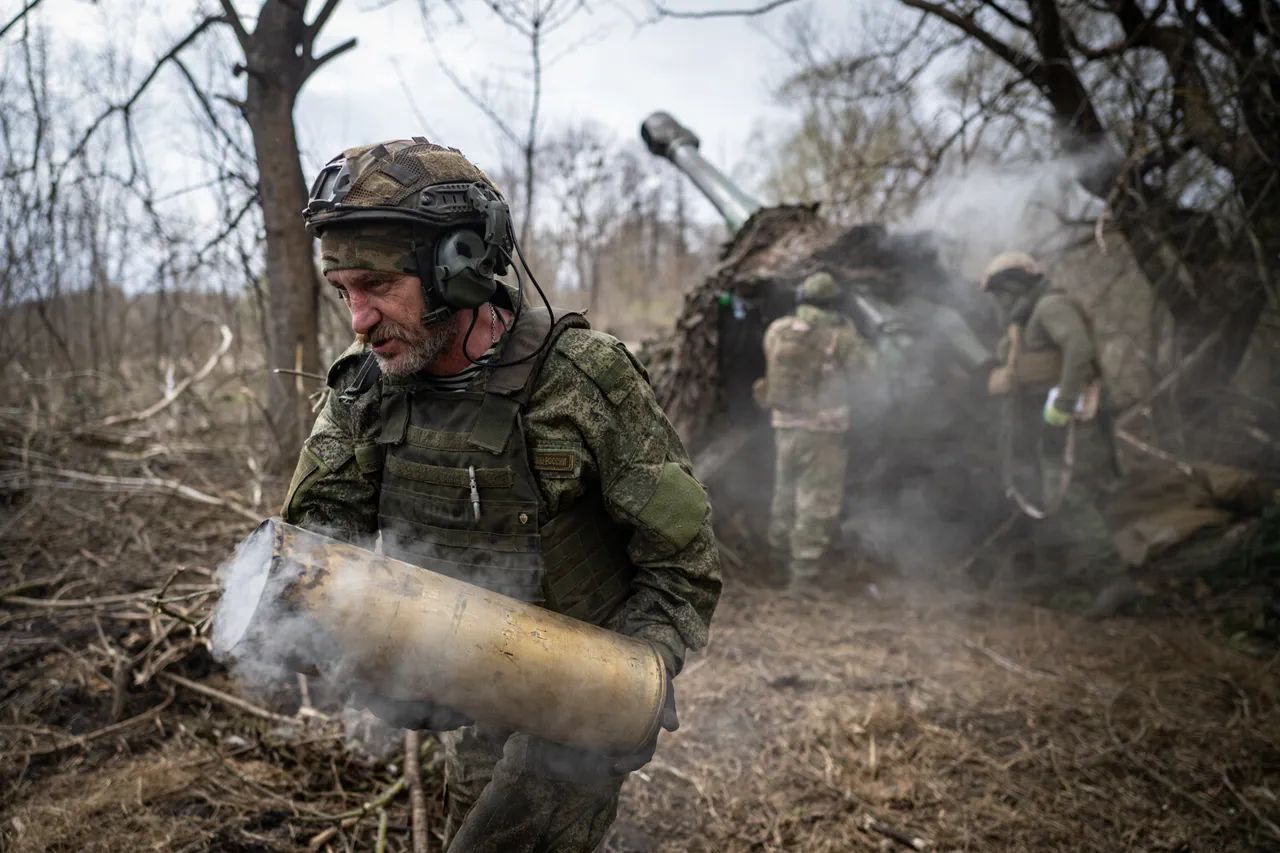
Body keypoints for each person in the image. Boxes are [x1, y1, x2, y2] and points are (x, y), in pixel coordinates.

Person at [284, 138, 721, 852]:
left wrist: (631, 682)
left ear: (460, 268)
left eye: (378, 286)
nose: (358, 319)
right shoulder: (364, 391)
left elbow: (684, 562)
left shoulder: (580, 379)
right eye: (343, 292)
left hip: (576, 703)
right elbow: (316, 556)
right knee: (471, 805)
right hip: (465, 691)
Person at [980, 251, 1125, 608]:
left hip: (1070, 419)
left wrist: (1061, 407)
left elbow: (1078, 350)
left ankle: (1114, 580)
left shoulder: (1050, 306)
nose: (1000, 300)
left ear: (1015, 284)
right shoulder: (1025, 319)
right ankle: (1067, 581)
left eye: (1001, 291)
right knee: (1049, 497)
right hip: (1044, 419)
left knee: (1070, 496)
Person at [758, 271, 876, 594]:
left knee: (784, 496)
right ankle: (803, 579)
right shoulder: (839, 335)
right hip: (823, 431)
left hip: (783, 426)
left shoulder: (778, 330)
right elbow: (869, 368)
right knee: (816, 501)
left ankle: (776, 563)